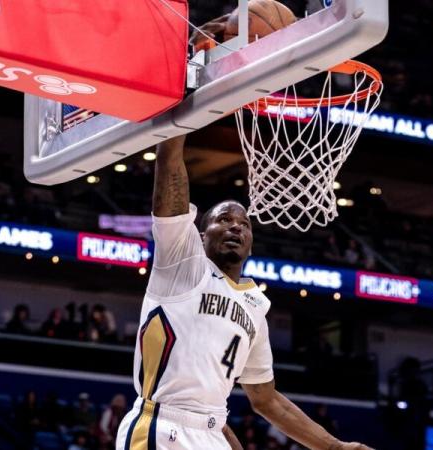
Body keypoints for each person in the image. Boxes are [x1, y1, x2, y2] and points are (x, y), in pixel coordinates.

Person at [116, 136, 372, 450]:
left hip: (212, 431)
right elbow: (169, 176)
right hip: (162, 425)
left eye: (244, 224)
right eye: (224, 220)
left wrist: (334, 447)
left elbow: (266, 400)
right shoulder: (183, 263)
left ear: (251, 242)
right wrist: (174, 128)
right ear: (200, 235)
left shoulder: (255, 307)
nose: (236, 227)